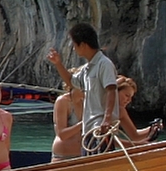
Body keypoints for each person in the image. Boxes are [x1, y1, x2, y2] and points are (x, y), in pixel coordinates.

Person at [47, 22, 117, 154]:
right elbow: (71, 81)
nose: (74, 49)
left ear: (83, 44)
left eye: (74, 45)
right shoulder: (87, 69)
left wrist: (107, 119)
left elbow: (111, 90)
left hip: (100, 129)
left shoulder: (104, 64)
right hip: (88, 131)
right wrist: (58, 64)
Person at [115, 76, 163, 145]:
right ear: (115, 92)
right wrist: (137, 144)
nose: (129, 100)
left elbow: (135, 135)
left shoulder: (121, 111)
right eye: (126, 95)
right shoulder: (101, 108)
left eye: (131, 97)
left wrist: (152, 129)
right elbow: (107, 140)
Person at [51, 82, 84, 162]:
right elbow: (62, 134)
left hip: (83, 156)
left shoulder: (87, 101)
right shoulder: (63, 101)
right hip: (63, 157)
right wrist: (84, 123)